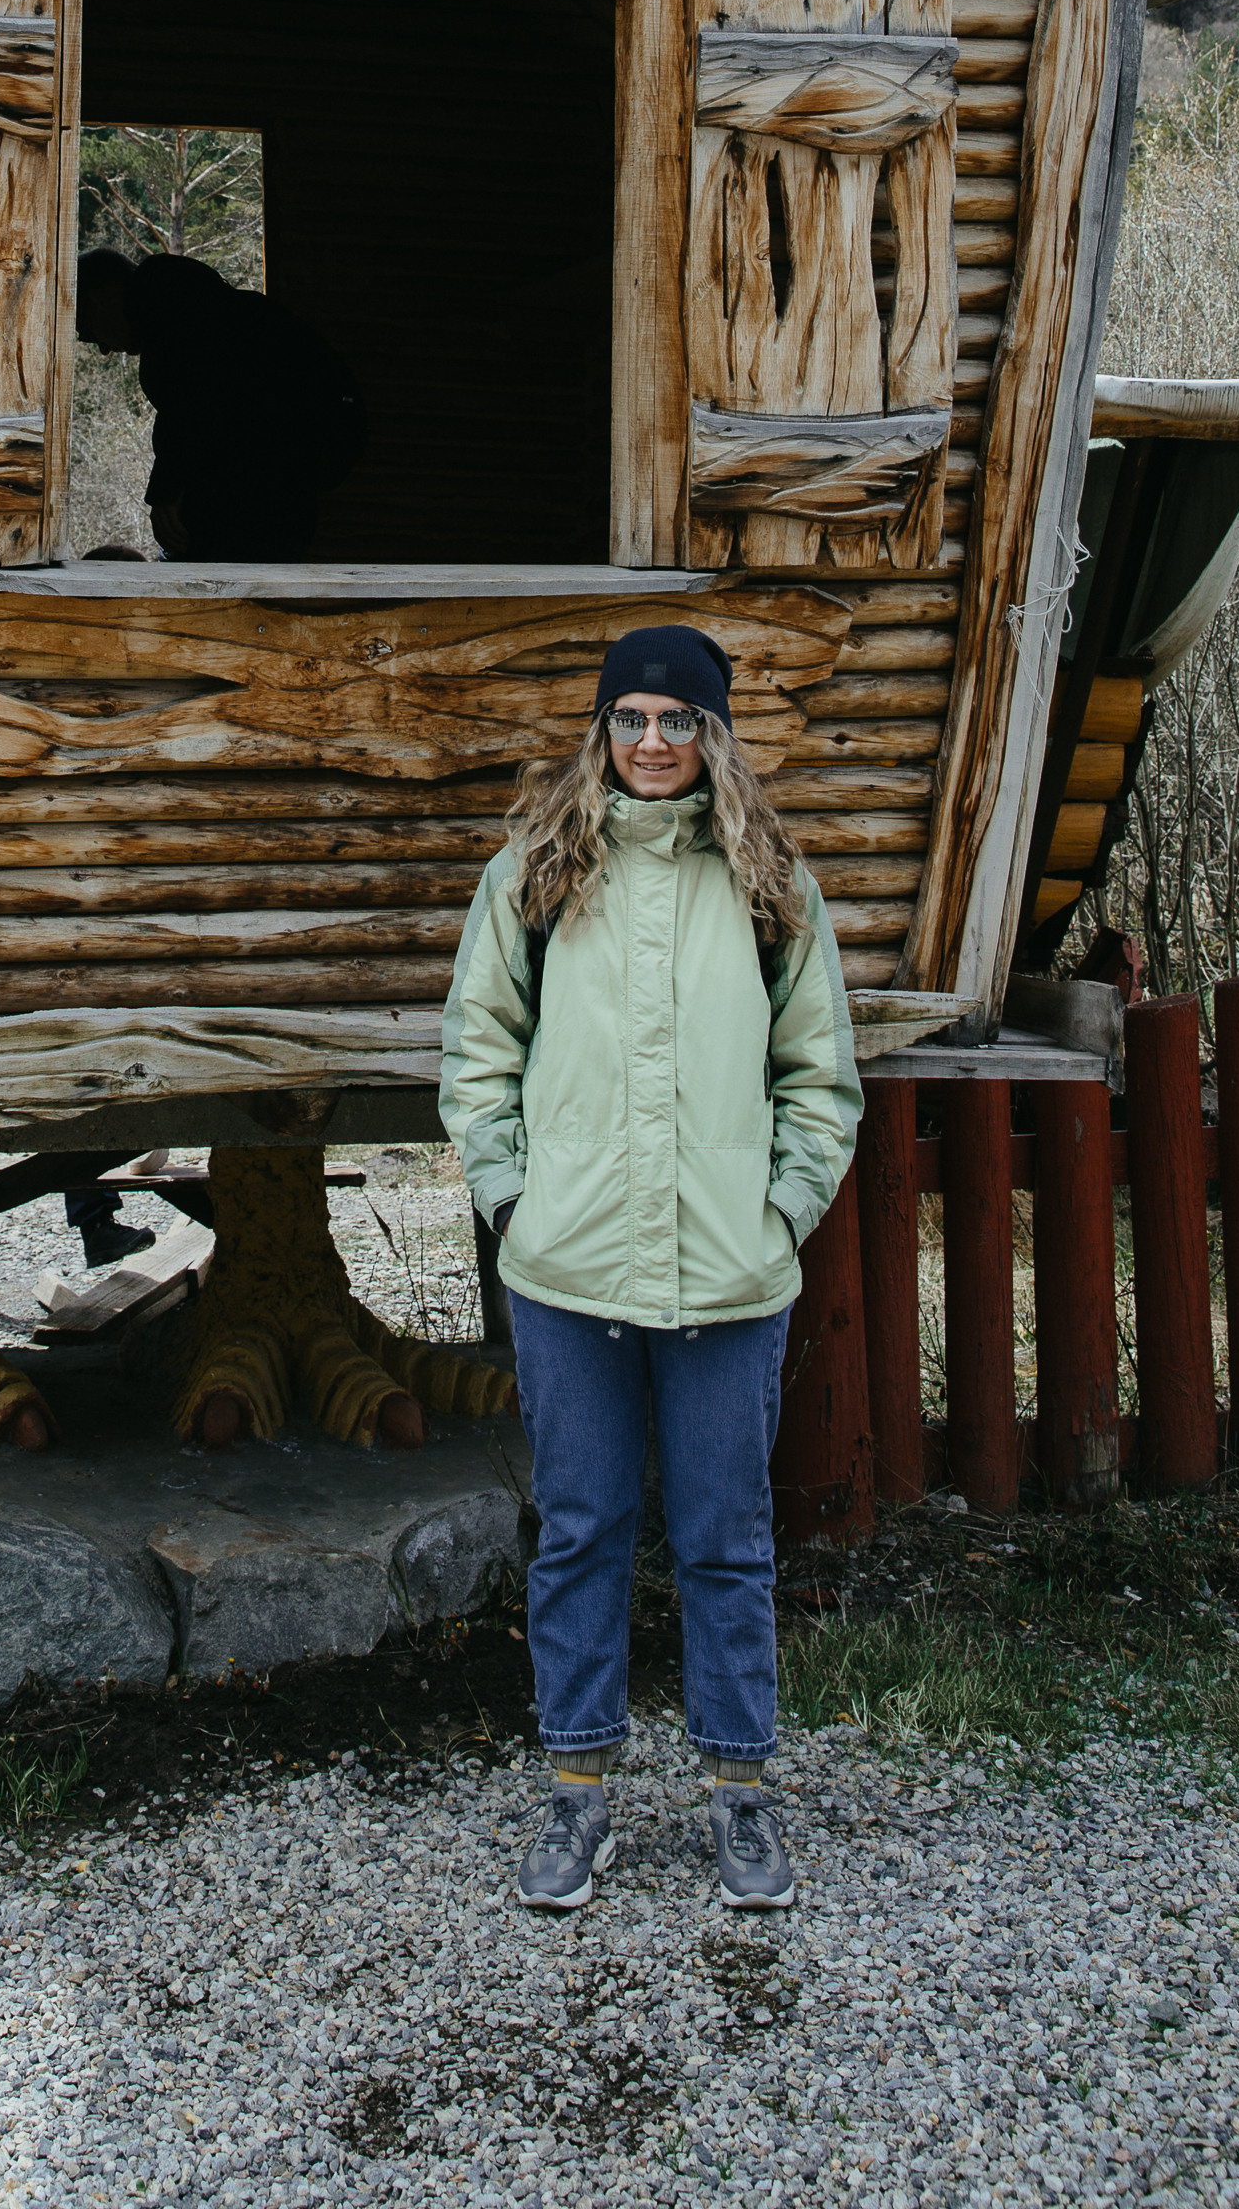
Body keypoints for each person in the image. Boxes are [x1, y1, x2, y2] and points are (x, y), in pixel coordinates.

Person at [440, 622, 861, 1917]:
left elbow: (821, 1075)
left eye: (679, 721)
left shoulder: (769, 880)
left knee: (727, 1540)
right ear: (602, 730)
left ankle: (742, 1795)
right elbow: (478, 1051)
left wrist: (781, 1211)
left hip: (730, 1281)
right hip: (569, 1278)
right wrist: (515, 1201)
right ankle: (577, 1795)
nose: (654, 743)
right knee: (580, 1533)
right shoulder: (537, 872)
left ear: (715, 736)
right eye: (632, 718)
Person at [75, 250, 365, 561]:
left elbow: (194, 404)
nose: (104, 349)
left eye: (88, 332)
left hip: (276, 480)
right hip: (296, 472)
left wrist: (166, 494)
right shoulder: (197, 302)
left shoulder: (179, 315)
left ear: (98, 300)